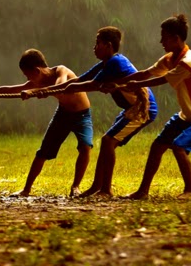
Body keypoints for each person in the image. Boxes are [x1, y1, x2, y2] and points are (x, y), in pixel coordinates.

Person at [29, 27, 158, 198]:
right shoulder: (107, 63)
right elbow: (80, 79)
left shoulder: (115, 63)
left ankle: (105, 189)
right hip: (130, 109)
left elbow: (87, 85)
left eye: (98, 43)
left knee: (107, 142)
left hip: (143, 109)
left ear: (108, 45)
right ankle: (97, 187)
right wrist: (49, 89)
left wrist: (51, 90)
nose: (94, 47)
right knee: (107, 143)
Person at [104, 14, 191, 200]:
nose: (161, 41)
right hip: (187, 115)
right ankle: (143, 192)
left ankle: (190, 191)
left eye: (164, 37)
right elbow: (146, 73)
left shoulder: (187, 62)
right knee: (157, 146)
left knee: (178, 147)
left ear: (175, 39)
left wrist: (132, 85)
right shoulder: (170, 58)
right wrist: (119, 83)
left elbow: (160, 80)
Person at [0, 49, 93, 197]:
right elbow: (9, 90)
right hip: (63, 115)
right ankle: (26, 189)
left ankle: (75, 187)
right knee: (42, 152)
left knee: (85, 147)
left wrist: (35, 92)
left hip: (82, 115)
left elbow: (62, 87)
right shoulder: (37, 82)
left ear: (37, 70)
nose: (27, 79)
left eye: (27, 75)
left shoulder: (61, 71)